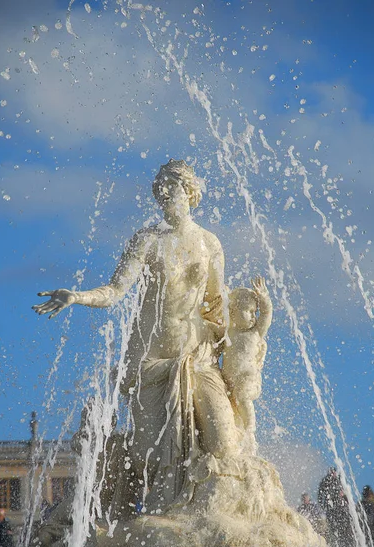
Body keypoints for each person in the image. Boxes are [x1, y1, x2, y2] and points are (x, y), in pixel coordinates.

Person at [33, 159, 242, 516]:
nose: (164, 195)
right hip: (150, 364)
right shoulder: (147, 241)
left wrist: (245, 341)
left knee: (225, 443)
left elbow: (216, 303)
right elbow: (115, 290)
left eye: (171, 188)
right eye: (160, 189)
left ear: (190, 192)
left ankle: (211, 513)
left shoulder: (210, 243)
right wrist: (78, 297)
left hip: (198, 358)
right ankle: (161, 520)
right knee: (151, 457)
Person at [222, 276, 272, 453]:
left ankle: (250, 429)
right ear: (233, 311)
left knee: (242, 396)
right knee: (228, 406)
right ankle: (239, 429)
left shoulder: (255, 333)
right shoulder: (228, 332)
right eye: (249, 311)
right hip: (228, 380)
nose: (253, 316)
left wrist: (264, 298)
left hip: (248, 377)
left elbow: (266, 315)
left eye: (254, 312)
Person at [318, 468, 355, 547]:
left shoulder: (340, 480)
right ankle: (335, 546)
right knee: (333, 527)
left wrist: (347, 501)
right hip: (331, 508)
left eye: (334, 472)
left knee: (343, 527)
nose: (333, 474)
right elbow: (320, 495)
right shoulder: (325, 481)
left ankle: (344, 546)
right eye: (331, 472)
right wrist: (323, 505)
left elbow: (346, 494)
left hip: (341, 508)